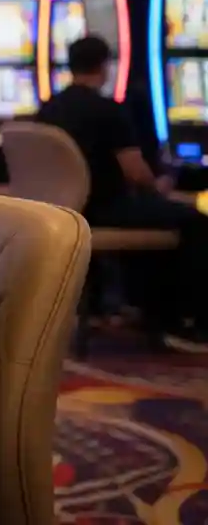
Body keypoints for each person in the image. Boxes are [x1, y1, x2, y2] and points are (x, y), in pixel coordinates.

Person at [36, 36, 207, 351]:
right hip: (105, 210)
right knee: (195, 221)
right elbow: (135, 171)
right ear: (104, 67)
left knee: (158, 211)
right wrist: (160, 185)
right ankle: (182, 321)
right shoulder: (107, 110)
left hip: (61, 211)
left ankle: (141, 308)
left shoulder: (47, 108)